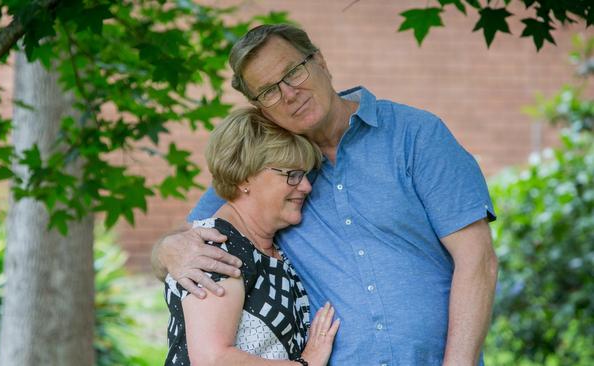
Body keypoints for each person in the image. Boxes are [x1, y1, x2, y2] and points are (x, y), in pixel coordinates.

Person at [152, 24, 498, 365]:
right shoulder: (262, 169)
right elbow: (201, 235)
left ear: (320, 61)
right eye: (269, 91)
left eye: (293, 72)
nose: (289, 93)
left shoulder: (415, 135)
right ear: (260, 107)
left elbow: (476, 258)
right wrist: (168, 250)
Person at [163, 107, 340, 366]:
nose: (306, 186)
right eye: (293, 175)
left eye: (305, 174)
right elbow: (212, 359)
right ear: (246, 176)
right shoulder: (219, 247)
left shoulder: (262, 246)